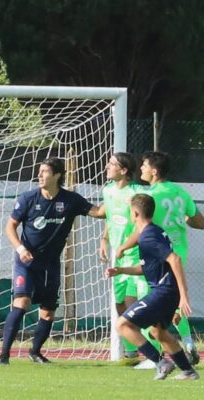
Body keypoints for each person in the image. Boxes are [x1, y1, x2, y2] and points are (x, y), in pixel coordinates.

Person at [0, 157, 104, 365]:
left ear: (57, 175)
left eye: (45, 171)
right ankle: (4, 355)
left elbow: (98, 212)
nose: (40, 175)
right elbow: (10, 227)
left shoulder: (71, 200)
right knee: (22, 302)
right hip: (26, 262)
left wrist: (119, 198)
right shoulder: (29, 198)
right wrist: (20, 248)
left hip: (51, 265)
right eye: (39, 171)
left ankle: (35, 351)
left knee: (48, 312)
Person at [116, 151, 204, 365]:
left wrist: (122, 247)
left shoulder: (150, 196)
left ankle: (156, 358)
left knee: (151, 307)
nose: (142, 169)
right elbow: (199, 221)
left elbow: (141, 228)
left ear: (154, 171)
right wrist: (180, 219)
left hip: (159, 255)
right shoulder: (180, 192)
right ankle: (188, 345)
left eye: (144, 165)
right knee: (171, 308)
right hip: (178, 254)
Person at [106, 194, 199, 380]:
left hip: (164, 291)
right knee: (159, 332)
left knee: (123, 324)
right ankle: (188, 371)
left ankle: (160, 362)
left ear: (135, 213)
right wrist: (122, 270)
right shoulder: (155, 231)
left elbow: (175, 259)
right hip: (167, 291)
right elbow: (148, 267)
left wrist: (184, 295)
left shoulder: (148, 236)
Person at [99, 153, 162, 368]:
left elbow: (143, 224)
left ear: (124, 170)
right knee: (121, 305)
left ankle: (154, 357)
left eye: (112, 164)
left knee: (142, 305)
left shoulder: (137, 192)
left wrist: (128, 245)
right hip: (118, 256)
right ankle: (133, 350)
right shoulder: (107, 191)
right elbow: (108, 216)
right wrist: (105, 240)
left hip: (137, 257)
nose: (107, 167)